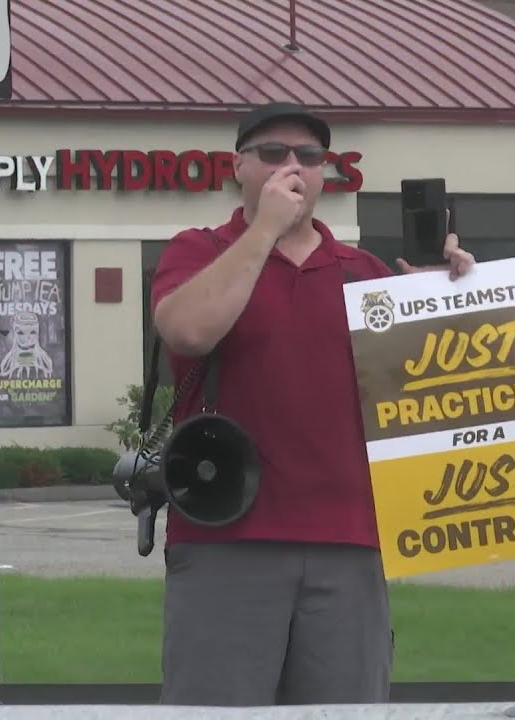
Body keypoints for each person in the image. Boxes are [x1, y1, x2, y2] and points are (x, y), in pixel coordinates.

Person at [148, 101, 475, 707]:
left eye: (309, 156)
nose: (292, 167)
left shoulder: (365, 272)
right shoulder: (198, 252)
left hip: (349, 545)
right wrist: (264, 230)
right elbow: (188, 332)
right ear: (238, 169)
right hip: (228, 538)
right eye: (272, 154)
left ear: (328, 173)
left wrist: (452, 296)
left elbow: (431, 401)